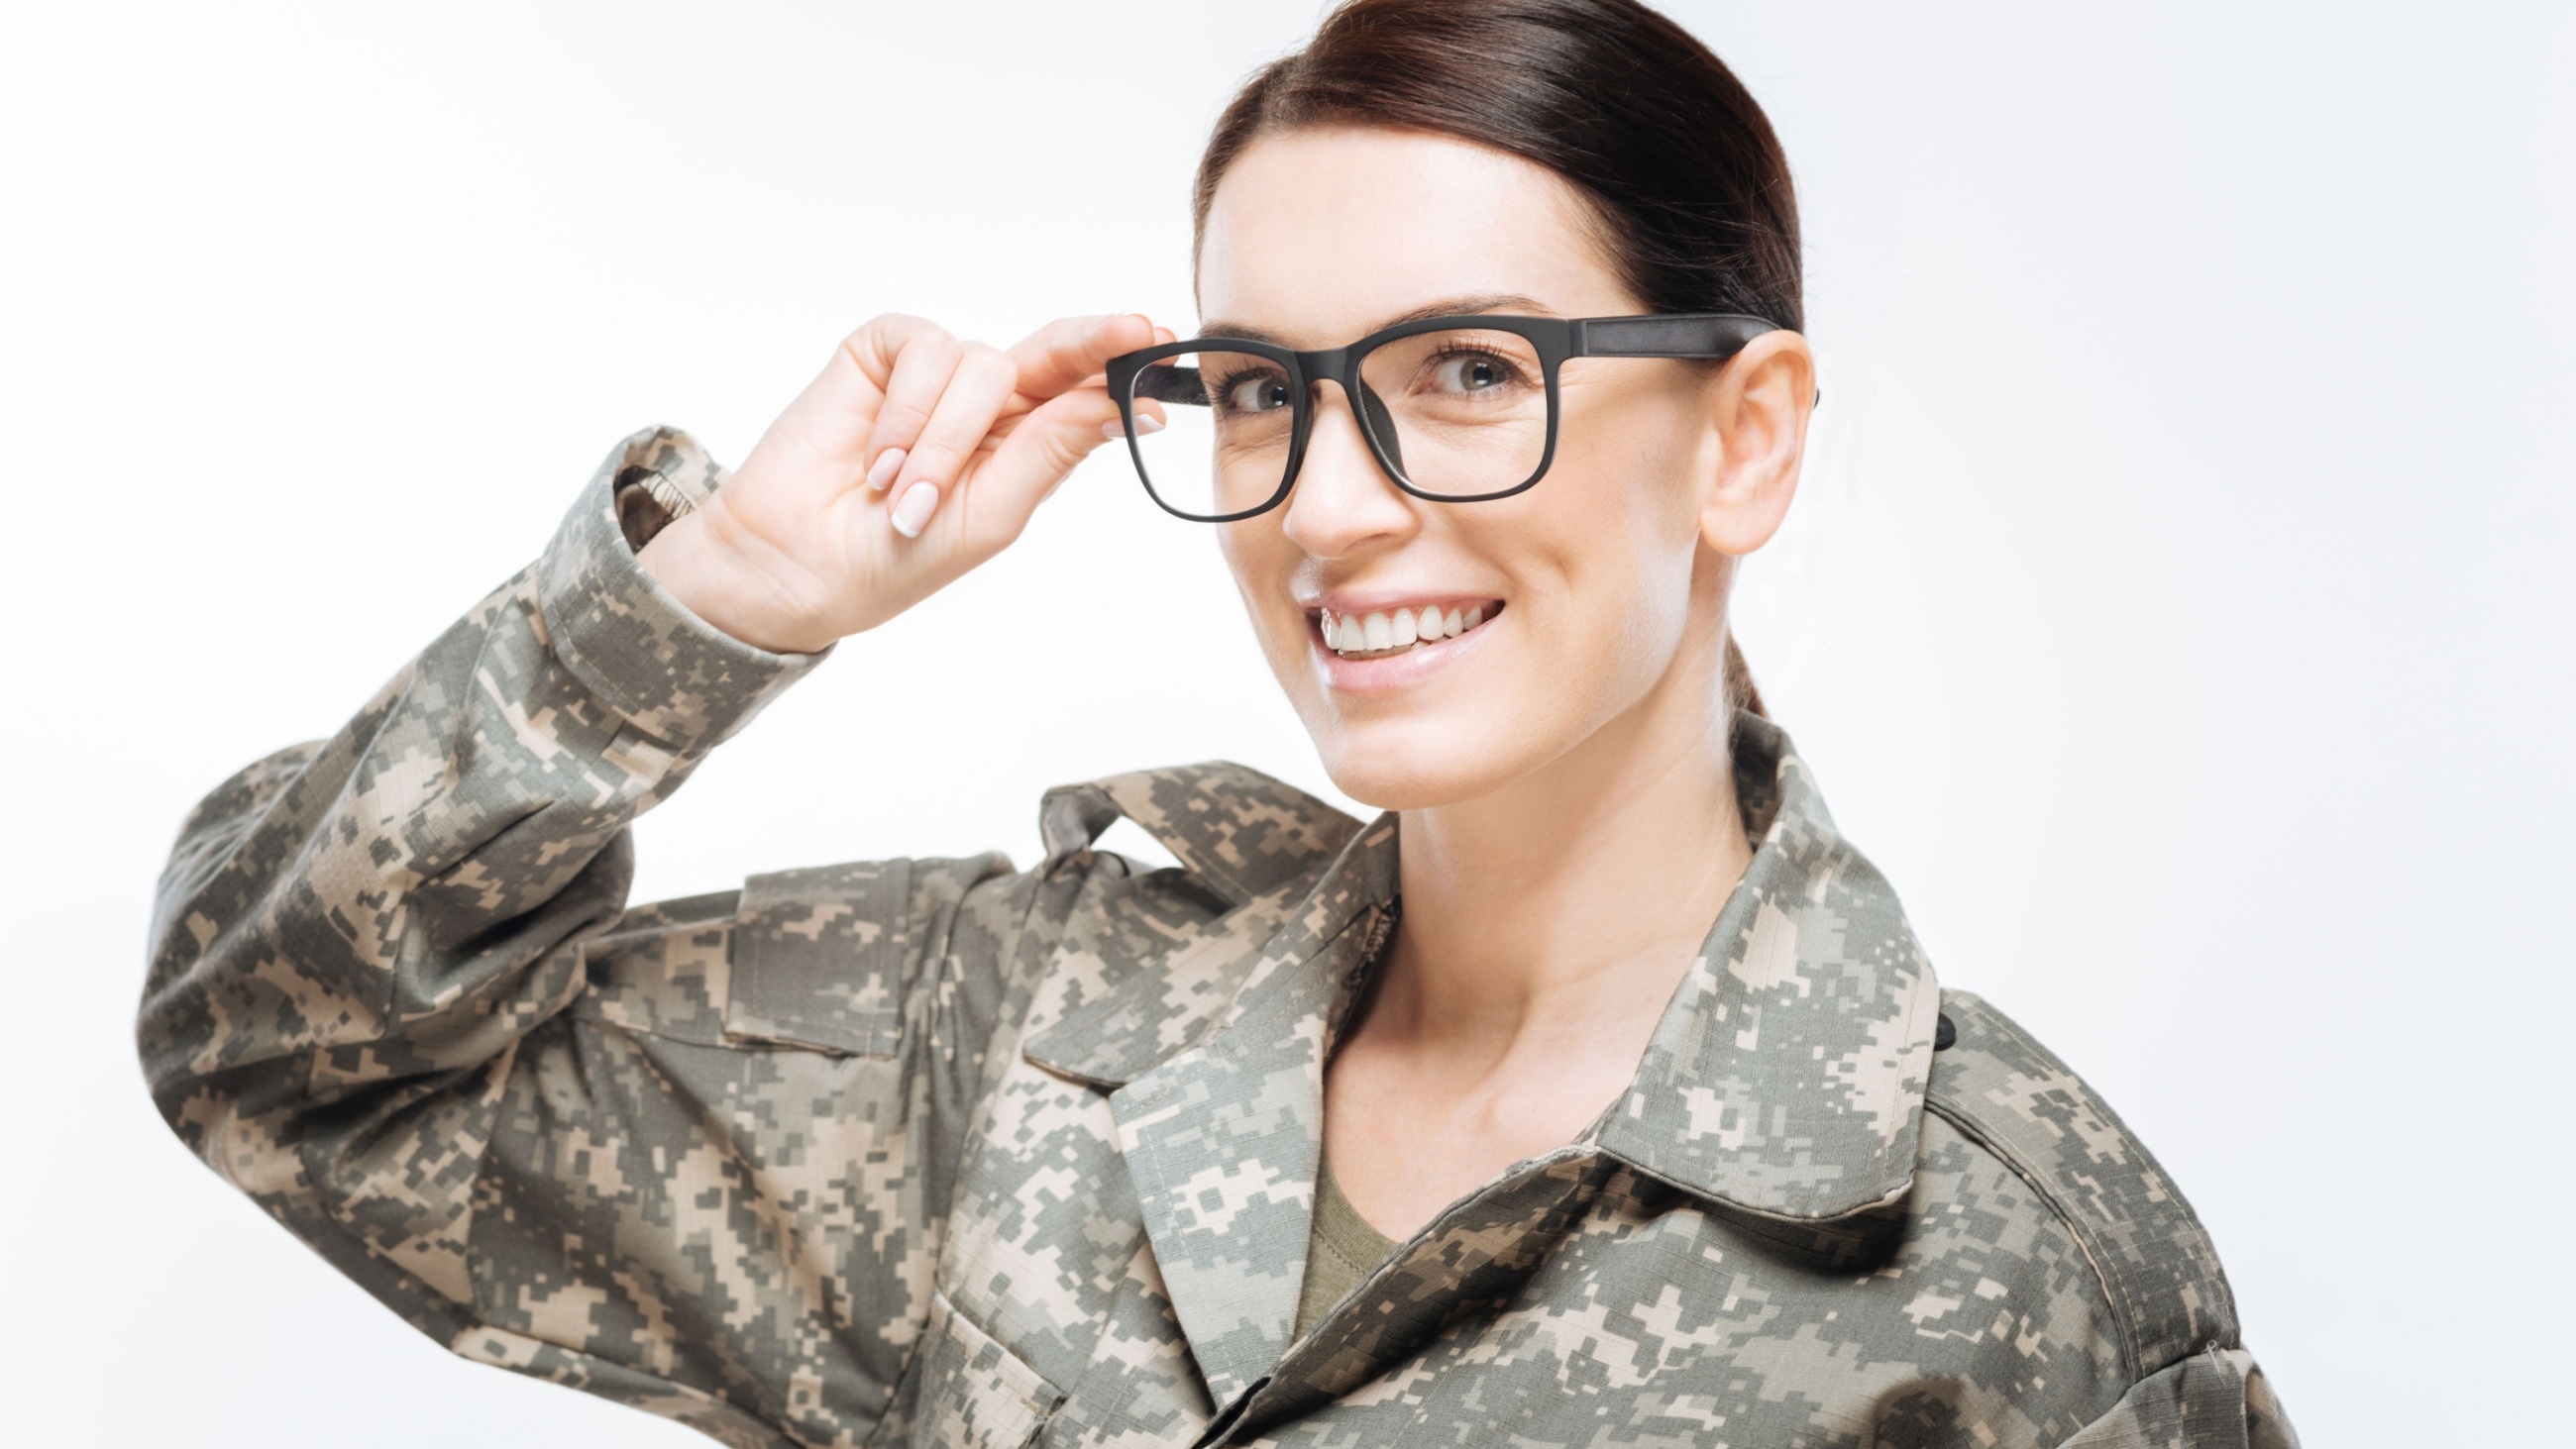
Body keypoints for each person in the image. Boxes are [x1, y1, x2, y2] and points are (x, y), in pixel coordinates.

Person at [138, 1, 2296, 1444]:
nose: (1331, 511)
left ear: (1741, 442)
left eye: (1468, 372)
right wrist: (714, 602)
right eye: (1261, 392)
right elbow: (284, 1052)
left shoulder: (2015, 1272)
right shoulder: (1018, 1044)